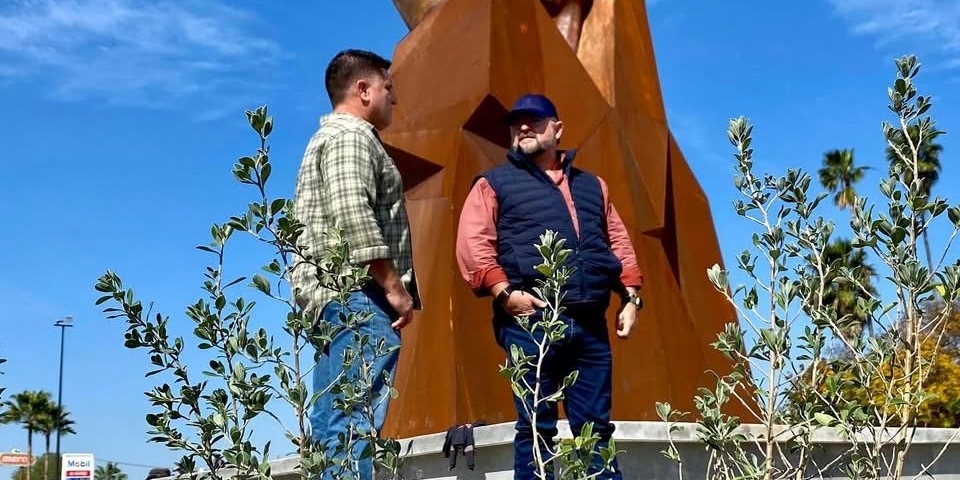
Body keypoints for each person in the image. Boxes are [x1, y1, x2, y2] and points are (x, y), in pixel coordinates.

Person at [455, 93, 642, 479]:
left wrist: (631, 297)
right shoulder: (494, 183)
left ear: (557, 128)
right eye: (516, 123)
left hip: (591, 324)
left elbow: (618, 242)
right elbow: (473, 243)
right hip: (531, 323)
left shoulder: (594, 186)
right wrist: (504, 293)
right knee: (536, 430)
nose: (523, 127)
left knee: (595, 433)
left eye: (535, 120)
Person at [290, 48, 420, 479]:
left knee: (333, 424)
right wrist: (394, 287)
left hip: (335, 299)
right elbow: (353, 214)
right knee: (352, 423)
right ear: (363, 89)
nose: (394, 98)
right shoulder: (352, 136)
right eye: (388, 87)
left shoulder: (331, 137)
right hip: (358, 298)